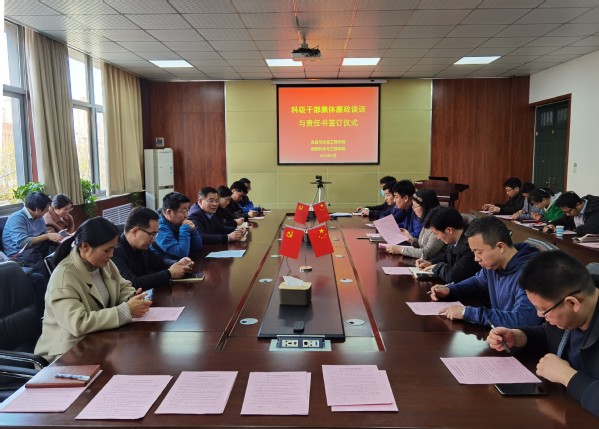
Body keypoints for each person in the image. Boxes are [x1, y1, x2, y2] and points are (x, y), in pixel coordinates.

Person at [487, 251, 599, 418]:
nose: (539, 315)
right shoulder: (574, 307)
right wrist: (519, 336)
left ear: (572, 303)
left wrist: (567, 376)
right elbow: (555, 333)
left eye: (543, 310)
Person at [34, 217, 151, 362]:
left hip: (98, 339)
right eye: (107, 250)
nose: (111, 255)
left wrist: (131, 297)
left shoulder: (103, 262)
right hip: (67, 352)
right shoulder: (64, 277)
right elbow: (78, 323)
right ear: (85, 247)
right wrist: (125, 310)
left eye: (113, 248)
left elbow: (122, 285)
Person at [429, 216, 542, 328]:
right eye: (473, 252)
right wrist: (450, 290)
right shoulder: (494, 264)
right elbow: (477, 282)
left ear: (500, 247)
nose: (476, 258)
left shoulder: (532, 273)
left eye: (479, 252)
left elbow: (523, 320)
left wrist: (466, 312)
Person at [112, 207, 194, 291]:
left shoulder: (142, 246)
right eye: (152, 234)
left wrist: (178, 263)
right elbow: (132, 283)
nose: (153, 239)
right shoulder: (114, 251)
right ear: (135, 231)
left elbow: (158, 262)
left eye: (155, 234)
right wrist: (169, 273)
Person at [416, 206, 480, 283]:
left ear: (449, 230)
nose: (438, 237)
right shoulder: (454, 239)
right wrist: (430, 262)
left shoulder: (470, 246)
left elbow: (453, 276)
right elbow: (446, 257)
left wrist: (436, 267)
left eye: (436, 234)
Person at [2, 191, 61, 270]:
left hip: (37, 250)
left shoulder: (39, 217)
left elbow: (44, 235)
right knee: (47, 269)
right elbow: (23, 243)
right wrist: (47, 236)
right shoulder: (17, 218)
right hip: (20, 256)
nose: (48, 211)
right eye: (46, 209)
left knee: (61, 254)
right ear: (37, 209)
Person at [385, 189, 445, 260]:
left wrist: (401, 250)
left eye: (415, 206)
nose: (413, 209)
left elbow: (426, 253)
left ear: (425, 207)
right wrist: (411, 240)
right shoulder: (427, 221)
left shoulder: (438, 225)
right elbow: (423, 244)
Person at [152, 192, 203, 260]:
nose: (186, 216)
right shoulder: (160, 228)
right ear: (169, 212)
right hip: (164, 265)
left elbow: (198, 248)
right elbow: (182, 254)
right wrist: (185, 228)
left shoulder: (177, 222)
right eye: (183, 212)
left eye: (187, 211)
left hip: (181, 263)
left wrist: (193, 230)